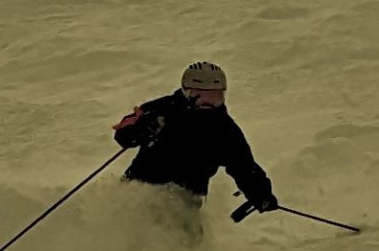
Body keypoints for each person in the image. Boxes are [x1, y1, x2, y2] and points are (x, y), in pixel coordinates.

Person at [110, 61, 278, 214]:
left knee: (183, 243)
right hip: (139, 192)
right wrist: (141, 127)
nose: (207, 103)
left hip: (185, 205)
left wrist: (261, 195)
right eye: (200, 96)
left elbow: (244, 166)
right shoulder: (163, 110)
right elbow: (123, 134)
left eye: (215, 98)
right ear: (185, 91)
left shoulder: (224, 131)